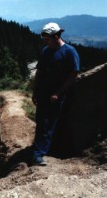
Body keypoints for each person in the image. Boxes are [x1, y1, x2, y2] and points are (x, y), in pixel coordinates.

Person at [31, 22, 80, 165]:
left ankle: (38, 154)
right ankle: (41, 149)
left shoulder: (70, 51)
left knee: (48, 123)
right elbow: (39, 73)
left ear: (57, 36)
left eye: (48, 39)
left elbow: (74, 74)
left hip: (56, 95)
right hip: (43, 93)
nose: (46, 42)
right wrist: (35, 91)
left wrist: (58, 93)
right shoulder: (46, 51)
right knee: (41, 122)